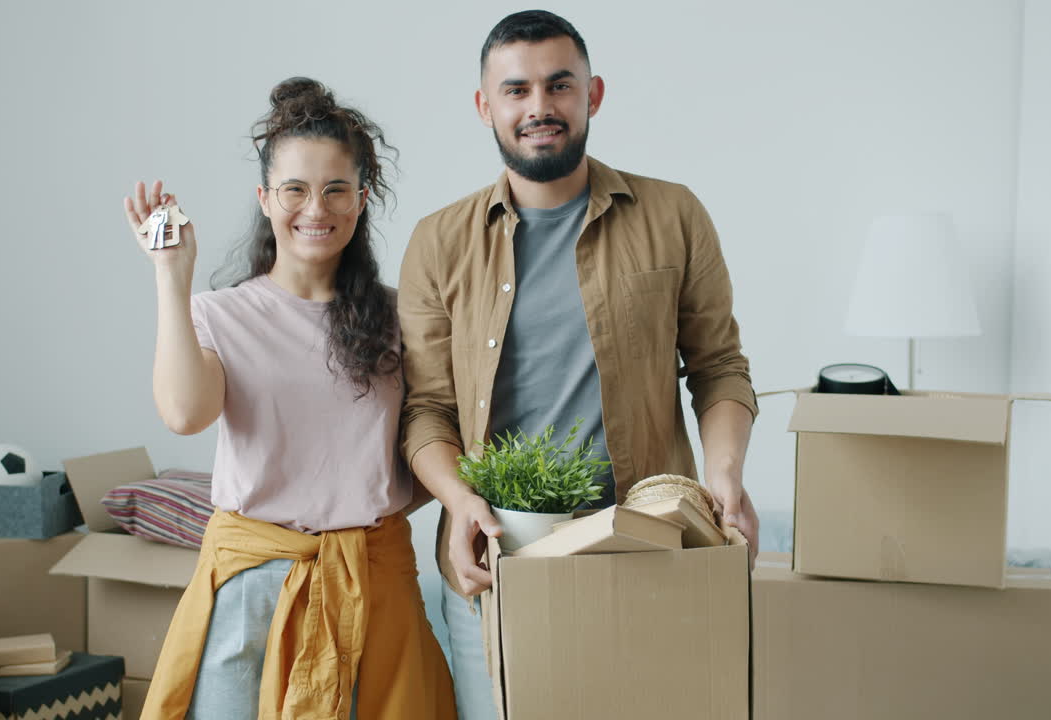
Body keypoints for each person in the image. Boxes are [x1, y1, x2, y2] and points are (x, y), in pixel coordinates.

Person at [397, 10, 760, 718]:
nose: (539, 107)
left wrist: (724, 477)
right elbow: (426, 411)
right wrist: (458, 500)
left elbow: (719, 367)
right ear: (485, 107)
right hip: (499, 560)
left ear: (592, 94)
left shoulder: (674, 215)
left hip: (648, 548)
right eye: (516, 90)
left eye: (559, 86)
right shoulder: (439, 242)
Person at [123, 77, 455, 720]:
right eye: (295, 189)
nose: (316, 208)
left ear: (362, 197)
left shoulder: (400, 317)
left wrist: (365, 515)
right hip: (250, 591)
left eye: (336, 188)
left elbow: (430, 439)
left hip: (371, 583)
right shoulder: (220, 315)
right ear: (265, 198)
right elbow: (185, 414)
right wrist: (171, 276)